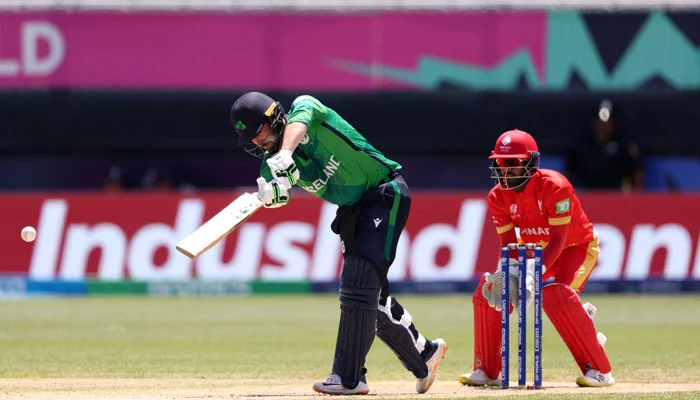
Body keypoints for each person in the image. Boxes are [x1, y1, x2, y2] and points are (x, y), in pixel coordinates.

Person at [229, 92, 447, 395]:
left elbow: (300, 124)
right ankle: (424, 353)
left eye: (258, 134)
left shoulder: (305, 107)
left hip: (383, 192)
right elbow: (280, 191)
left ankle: (349, 378)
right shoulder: (270, 165)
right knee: (371, 298)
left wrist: (286, 154)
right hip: (350, 213)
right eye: (249, 140)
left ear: (274, 117)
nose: (256, 143)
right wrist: (273, 196)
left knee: (357, 285)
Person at [459, 129, 615, 388]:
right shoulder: (497, 196)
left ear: (531, 163)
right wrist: (507, 272)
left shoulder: (556, 187)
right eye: (500, 163)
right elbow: (509, 244)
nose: (505, 171)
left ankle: (600, 371)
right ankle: (488, 371)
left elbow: (559, 241)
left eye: (513, 164)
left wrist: (532, 276)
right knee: (490, 291)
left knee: (557, 296)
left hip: (576, 247)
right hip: (538, 250)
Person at [566, 100, 644, 192]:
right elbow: (569, 172)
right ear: (594, 122)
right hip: (587, 196)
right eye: (600, 120)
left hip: (616, 196)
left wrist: (635, 197)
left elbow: (636, 172)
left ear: (613, 123)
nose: (604, 125)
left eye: (608, 121)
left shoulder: (624, 146)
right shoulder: (582, 145)